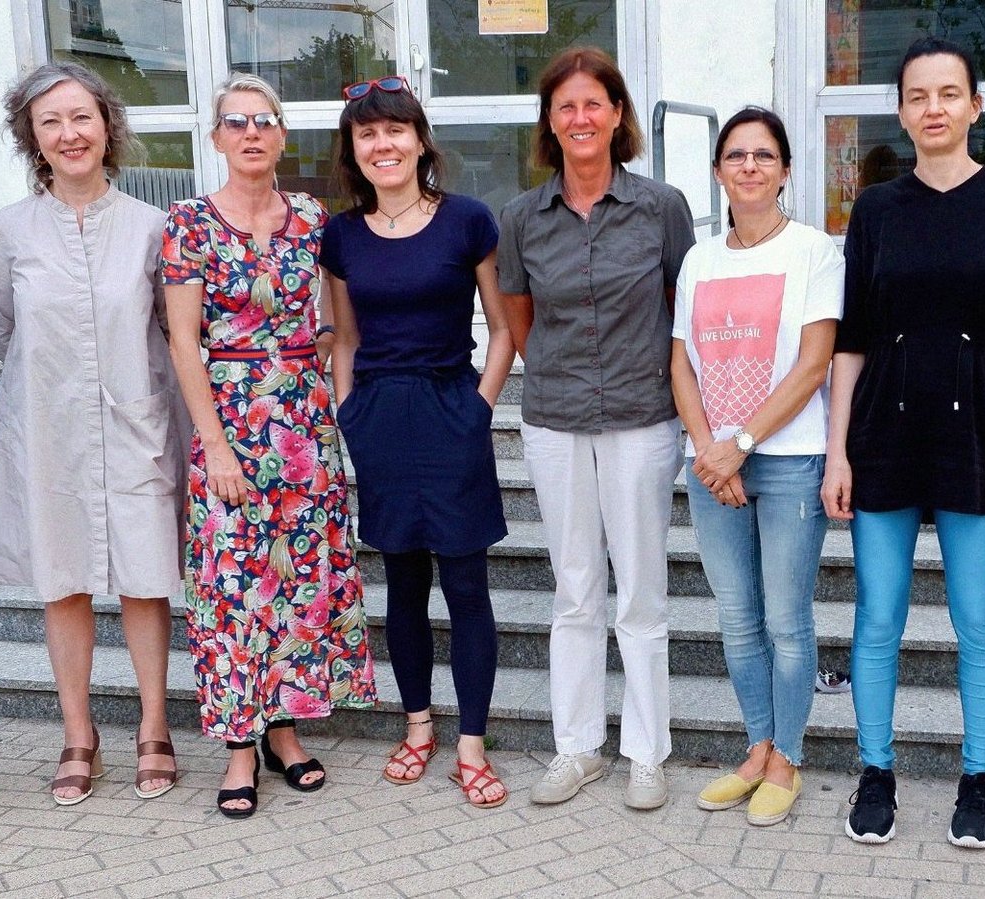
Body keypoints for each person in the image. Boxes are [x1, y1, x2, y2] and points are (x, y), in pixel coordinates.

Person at [821, 37, 985, 850]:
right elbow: (850, 339)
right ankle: (875, 771)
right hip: (885, 429)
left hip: (979, 432)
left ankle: (978, 779)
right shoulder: (877, 209)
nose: (934, 109)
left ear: (975, 107)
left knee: (977, 620)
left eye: (949, 93)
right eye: (919, 96)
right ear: (902, 110)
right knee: (877, 617)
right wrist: (838, 449)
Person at [161, 72, 376, 819]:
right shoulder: (188, 223)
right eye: (235, 122)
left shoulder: (314, 217)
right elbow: (184, 343)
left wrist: (314, 350)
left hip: (305, 432)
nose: (251, 133)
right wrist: (214, 444)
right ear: (217, 137)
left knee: (296, 583)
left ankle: (285, 729)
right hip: (230, 430)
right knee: (232, 588)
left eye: (264, 120)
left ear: (283, 134)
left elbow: (332, 319)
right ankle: (238, 746)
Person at [0, 61, 186, 806]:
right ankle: (78, 733)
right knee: (61, 578)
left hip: (138, 422)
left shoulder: (152, 229)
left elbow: (171, 329)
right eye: (51, 122)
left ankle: (154, 726)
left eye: (81, 117)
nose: (69, 134)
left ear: (107, 126)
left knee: (144, 577)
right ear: (32, 138)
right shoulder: (7, 230)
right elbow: (1, 329)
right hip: (50, 429)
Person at [498, 46, 695, 810]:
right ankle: (577, 746)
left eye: (594, 104)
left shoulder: (661, 207)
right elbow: (519, 319)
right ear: (550, 122)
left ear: (617, 116)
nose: (580, 118)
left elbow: (685, 312)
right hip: (555, 417)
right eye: (566, 106)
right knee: (575, 590)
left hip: (643, 417)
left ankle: (648, 752)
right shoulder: (522, 218)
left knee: (640, 591)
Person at [320, 77, 514, 808]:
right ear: (354, 150)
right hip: (380, 417)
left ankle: (471, 741)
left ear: (419, 139)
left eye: (395, 130)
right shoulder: (340, 235)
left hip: (449, 407)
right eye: (368, 134)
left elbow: (501, 329)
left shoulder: (467, 220)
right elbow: (345, 334)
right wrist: (349, 410)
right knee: (401, 581)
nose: (383, 144)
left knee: (465, 584)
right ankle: (418, 725)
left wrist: (478, 407)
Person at [672, 106, 842, 826]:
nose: (749, 166)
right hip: (712, 466)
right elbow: (681, 362)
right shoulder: (699, 258)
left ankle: (789, 757)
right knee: (737, 620)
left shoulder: (814, 251)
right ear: (717, 172)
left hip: (790, 461)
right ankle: (757, 744)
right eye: (735, 155)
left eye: (764, 155)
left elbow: (813, 365)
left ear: (786, 170)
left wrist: (738, 443)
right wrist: (711, 450)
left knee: (785, 620)